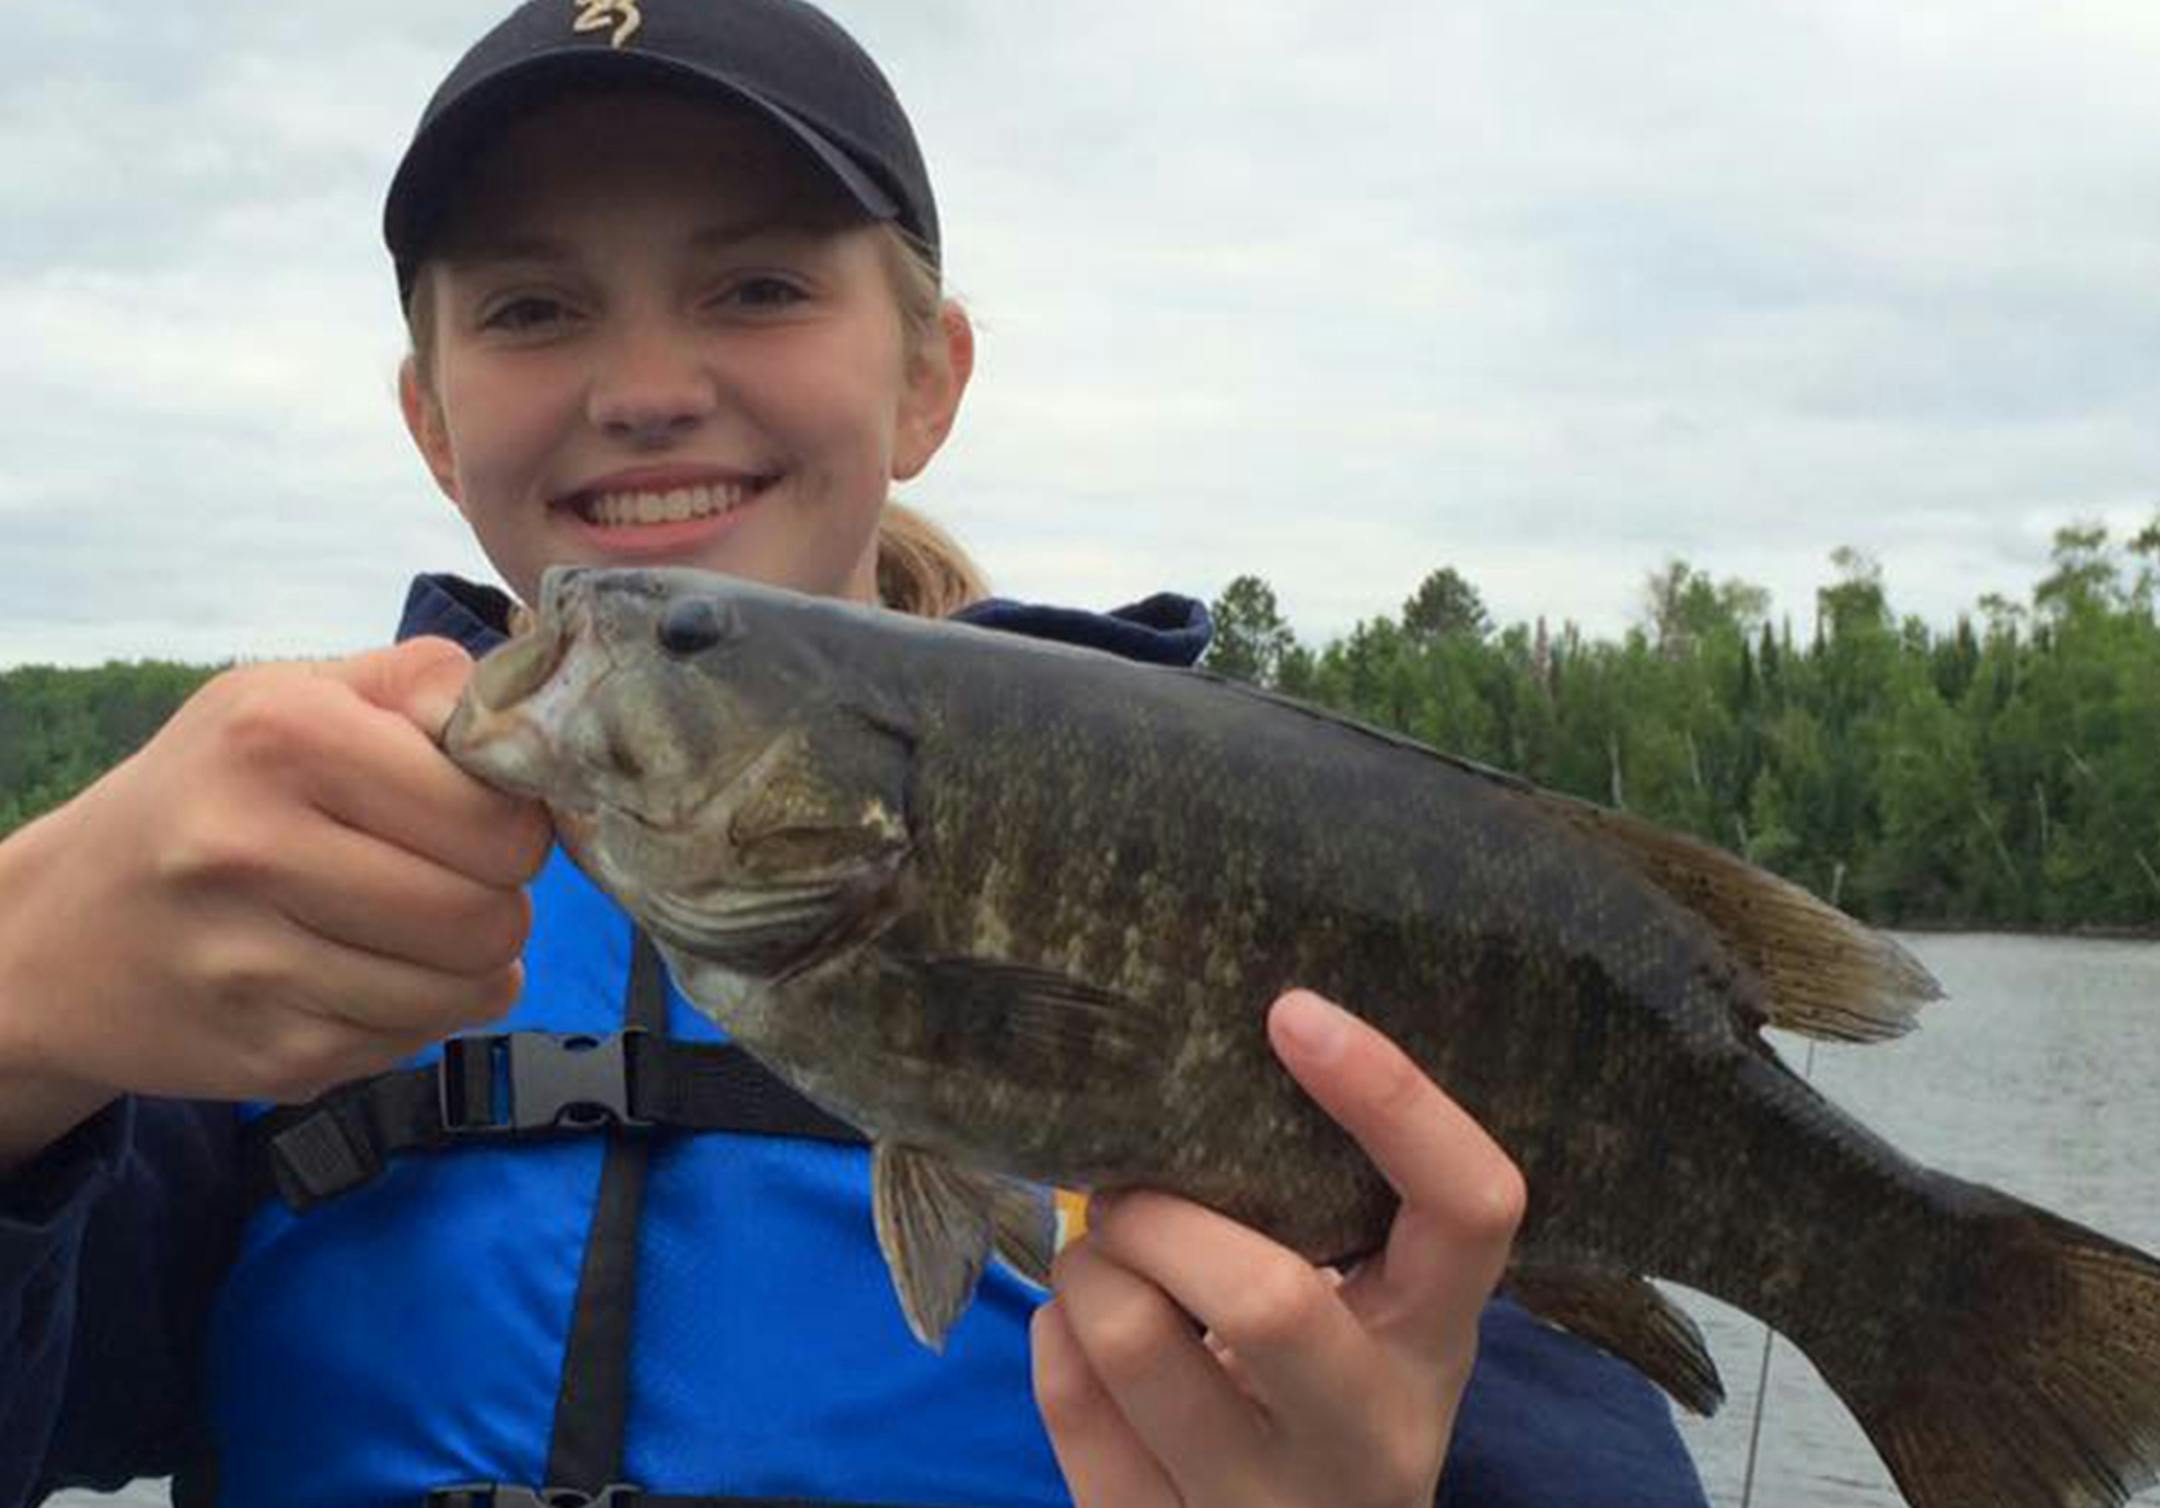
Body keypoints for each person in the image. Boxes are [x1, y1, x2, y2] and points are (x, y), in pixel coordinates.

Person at [0, 3, 1711, 1505]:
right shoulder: (251, 908)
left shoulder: (1249, 865)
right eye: (530, 307)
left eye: (757, 286)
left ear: (929, 379)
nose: (646, 386)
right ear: (431, 422)